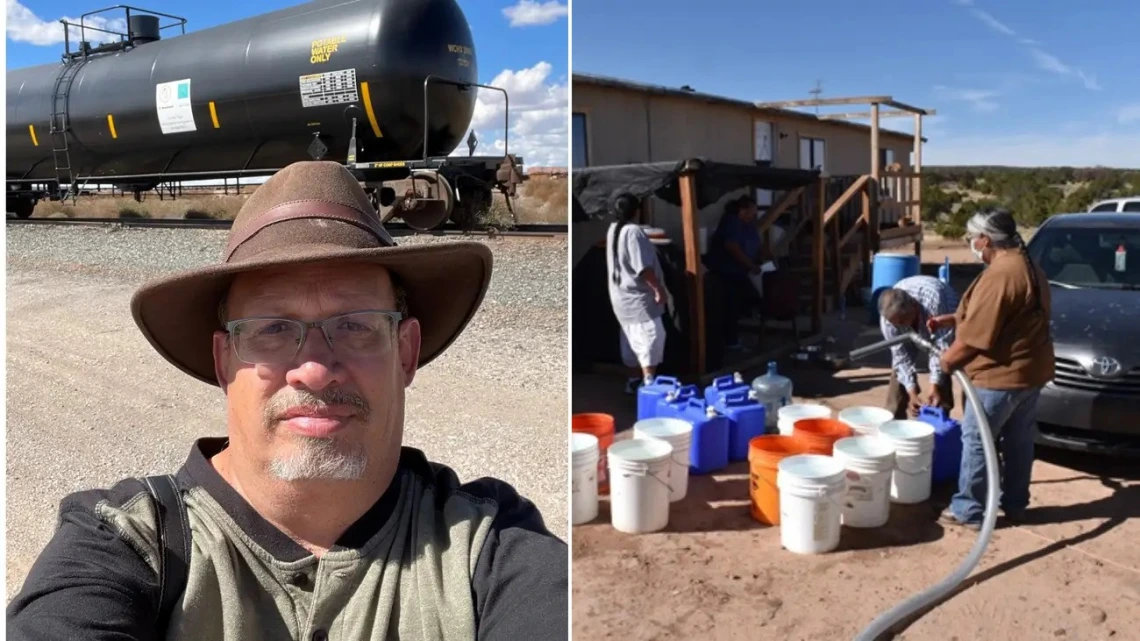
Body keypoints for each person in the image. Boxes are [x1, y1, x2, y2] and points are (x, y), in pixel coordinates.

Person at [6, 161, 568, 639]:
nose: (317, 370)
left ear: (406, 351)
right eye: (272, 329)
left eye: (356, 325)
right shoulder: (122, 543)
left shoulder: (491, 550)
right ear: (225, 361)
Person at [931, 208, 1054, 531]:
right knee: (1017, 441)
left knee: (977, 440)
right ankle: (1015, 504)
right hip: (1029, 372)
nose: (972, 244)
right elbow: (1010, 315)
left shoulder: (1001, 274)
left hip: (999, 376)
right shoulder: (1026, 265)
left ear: (986, 239)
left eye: (973, 238)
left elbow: (976, 338)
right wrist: (954, 318)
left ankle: (968, 510)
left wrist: (945, 363)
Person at [605, 192, 669, 394]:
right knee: (650, 338)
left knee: (630, 338)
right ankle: (648, 383)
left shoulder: (613, 229)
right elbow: (643, 267)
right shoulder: (633, 232)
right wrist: (658, 289)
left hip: (620, 296)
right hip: (638, 298)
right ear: (637, 211)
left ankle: (633, 380)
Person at [877, 275, 960, 418]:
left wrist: (934, 385)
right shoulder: (888, 321)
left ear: (914, 306)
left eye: (903, 321)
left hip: (945, 326)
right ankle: (893, 421)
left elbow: (941, 346)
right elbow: (900, 357)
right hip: (917, 326)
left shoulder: (933, 299)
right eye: (895, 323)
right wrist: (911, 392)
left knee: (945, 363)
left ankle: (939, 418)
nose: (899, 325)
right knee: (899, 374)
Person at [704, 194, 771, 350]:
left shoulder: (747, 224)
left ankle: (734, 336)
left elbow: (756, 243)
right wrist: (750, 265)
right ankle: (730, 341)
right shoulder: (731, 221)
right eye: (751, 212)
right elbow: (732, 245)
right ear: (742, 210)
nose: (753, 216)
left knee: (741, 302)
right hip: (726, 271)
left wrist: (764, 257)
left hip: (739, 270)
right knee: (731, 305)